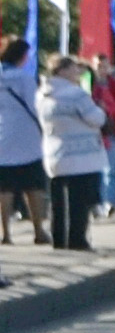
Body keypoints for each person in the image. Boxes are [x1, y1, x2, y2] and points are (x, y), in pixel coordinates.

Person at [41, 49, 106, 250]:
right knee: (79, 201)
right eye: (73, 68)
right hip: (81, 154)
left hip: (55, 151)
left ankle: (59, 239)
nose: (78, 71)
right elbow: (96, 118)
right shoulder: (76, 94)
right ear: (62, 71)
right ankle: (77, 240)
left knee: (58, 200)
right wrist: (99, 108)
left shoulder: (42, 94)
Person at [0, 38, 41, 243]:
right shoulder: (25, 78)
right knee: (32, 186)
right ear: (23, 56)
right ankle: (39, 231)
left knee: (4, 187)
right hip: (27, 135)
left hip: (3, 132)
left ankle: (5, 233)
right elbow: (35, 106)